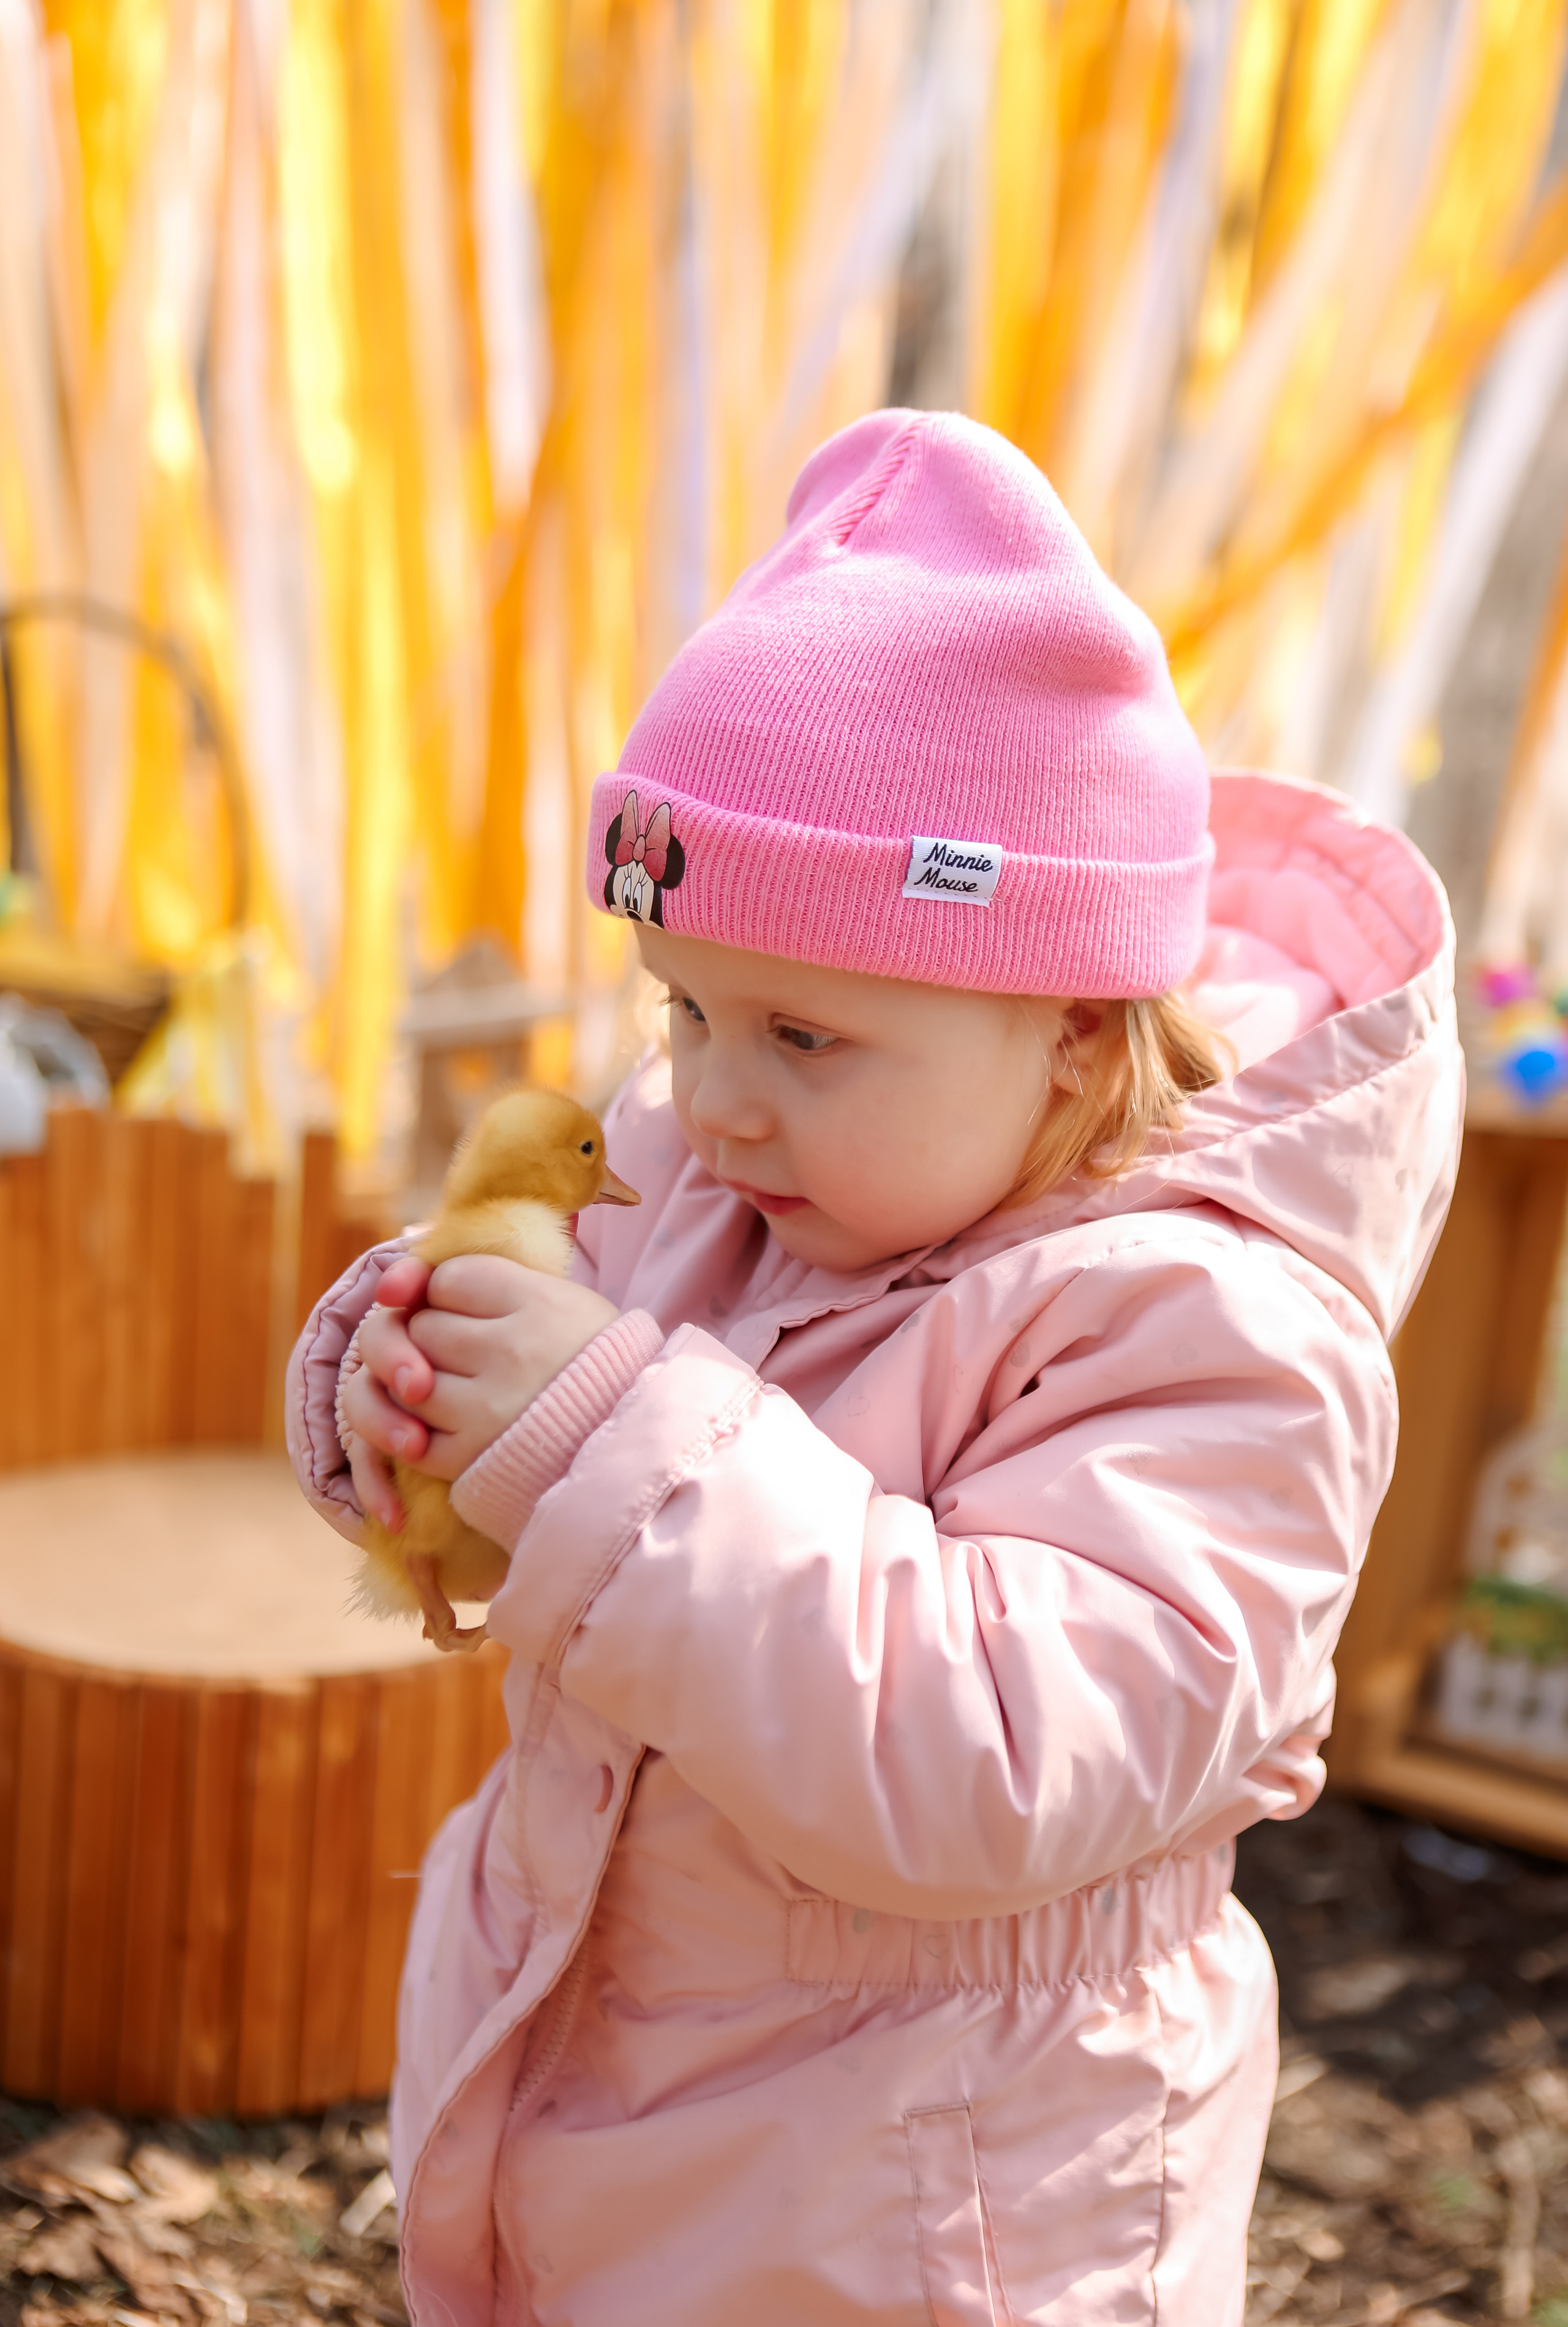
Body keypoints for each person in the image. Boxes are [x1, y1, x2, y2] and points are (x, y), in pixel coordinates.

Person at [287, 410, 1462, 2325]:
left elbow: (992, 1751)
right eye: (684, 1008)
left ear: (1074, 1037)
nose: (708, 1098)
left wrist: (596, 1441)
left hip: (945, 2211)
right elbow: (541, 1419)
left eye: (802, 1038)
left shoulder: (1212, 1336)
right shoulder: (727, 1171)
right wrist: (402, 1387)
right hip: (631, 2101)